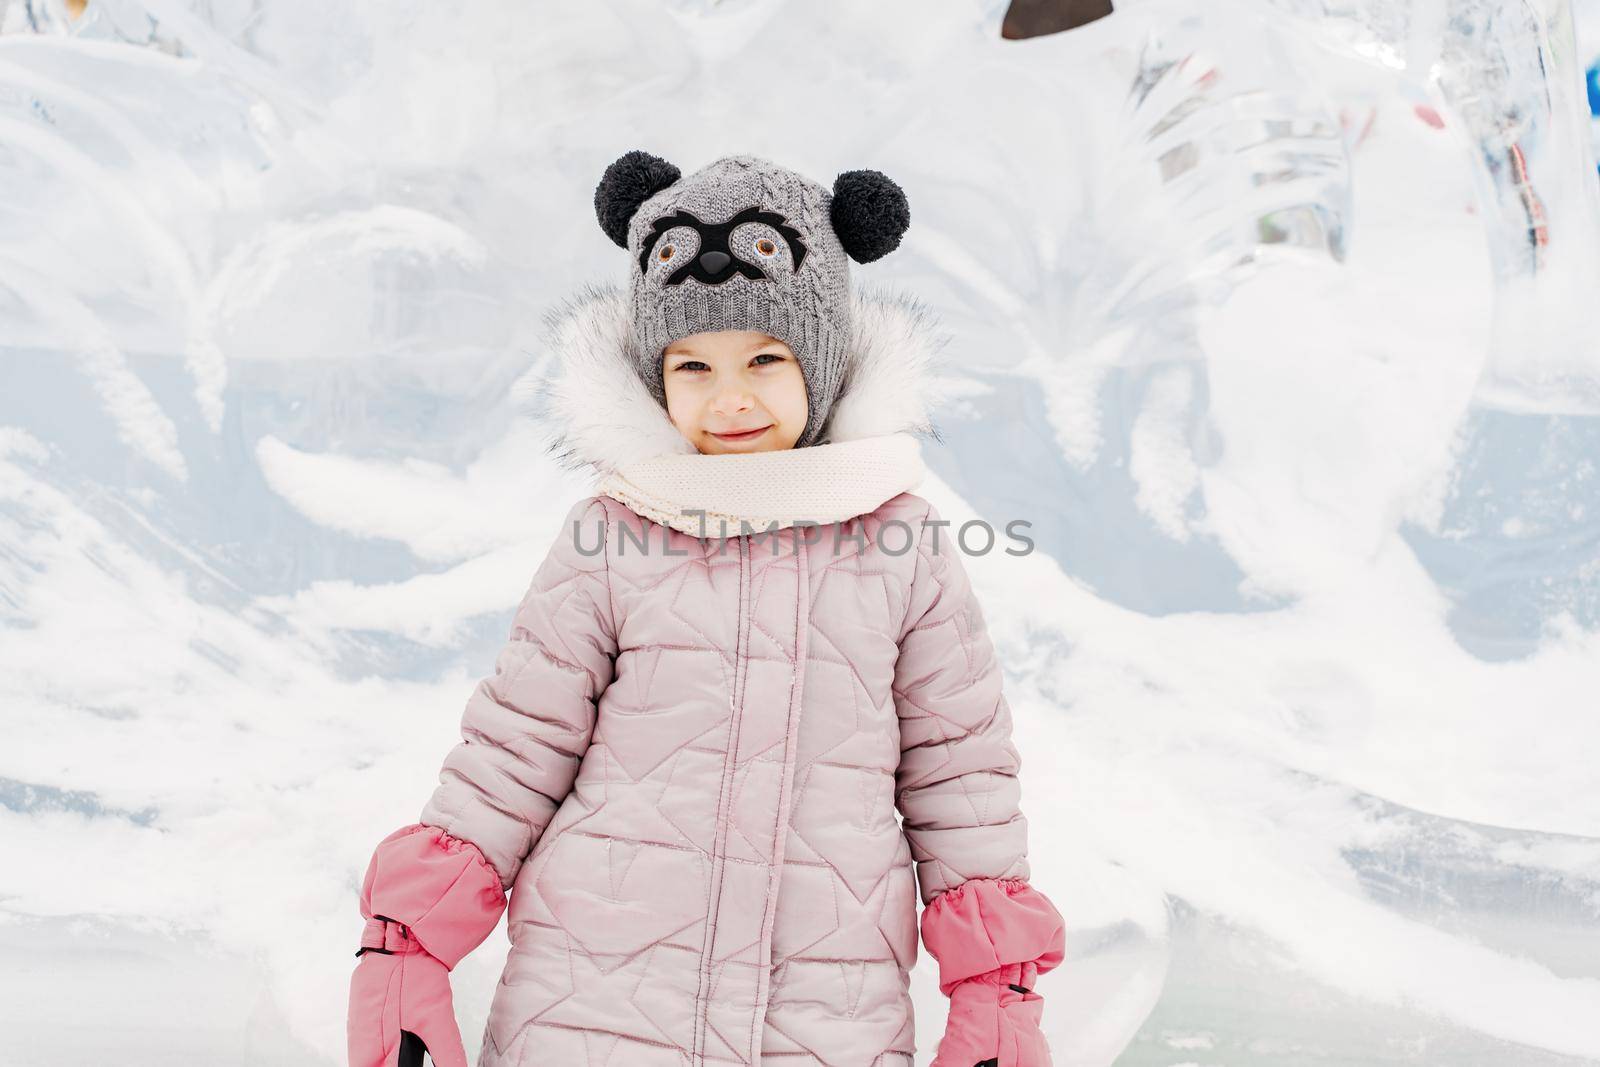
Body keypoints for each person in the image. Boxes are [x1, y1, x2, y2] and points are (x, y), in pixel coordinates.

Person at [346, 151, 1067, 1067]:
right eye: (692, 365)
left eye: (766, 358)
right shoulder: (615, 533)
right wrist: (406, 946)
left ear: (825, 362)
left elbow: (959, 776)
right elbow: (515, 747)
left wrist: (996, 990)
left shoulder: (904, 546)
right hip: (595, 1003)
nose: (729, 398)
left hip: (817, 1015)